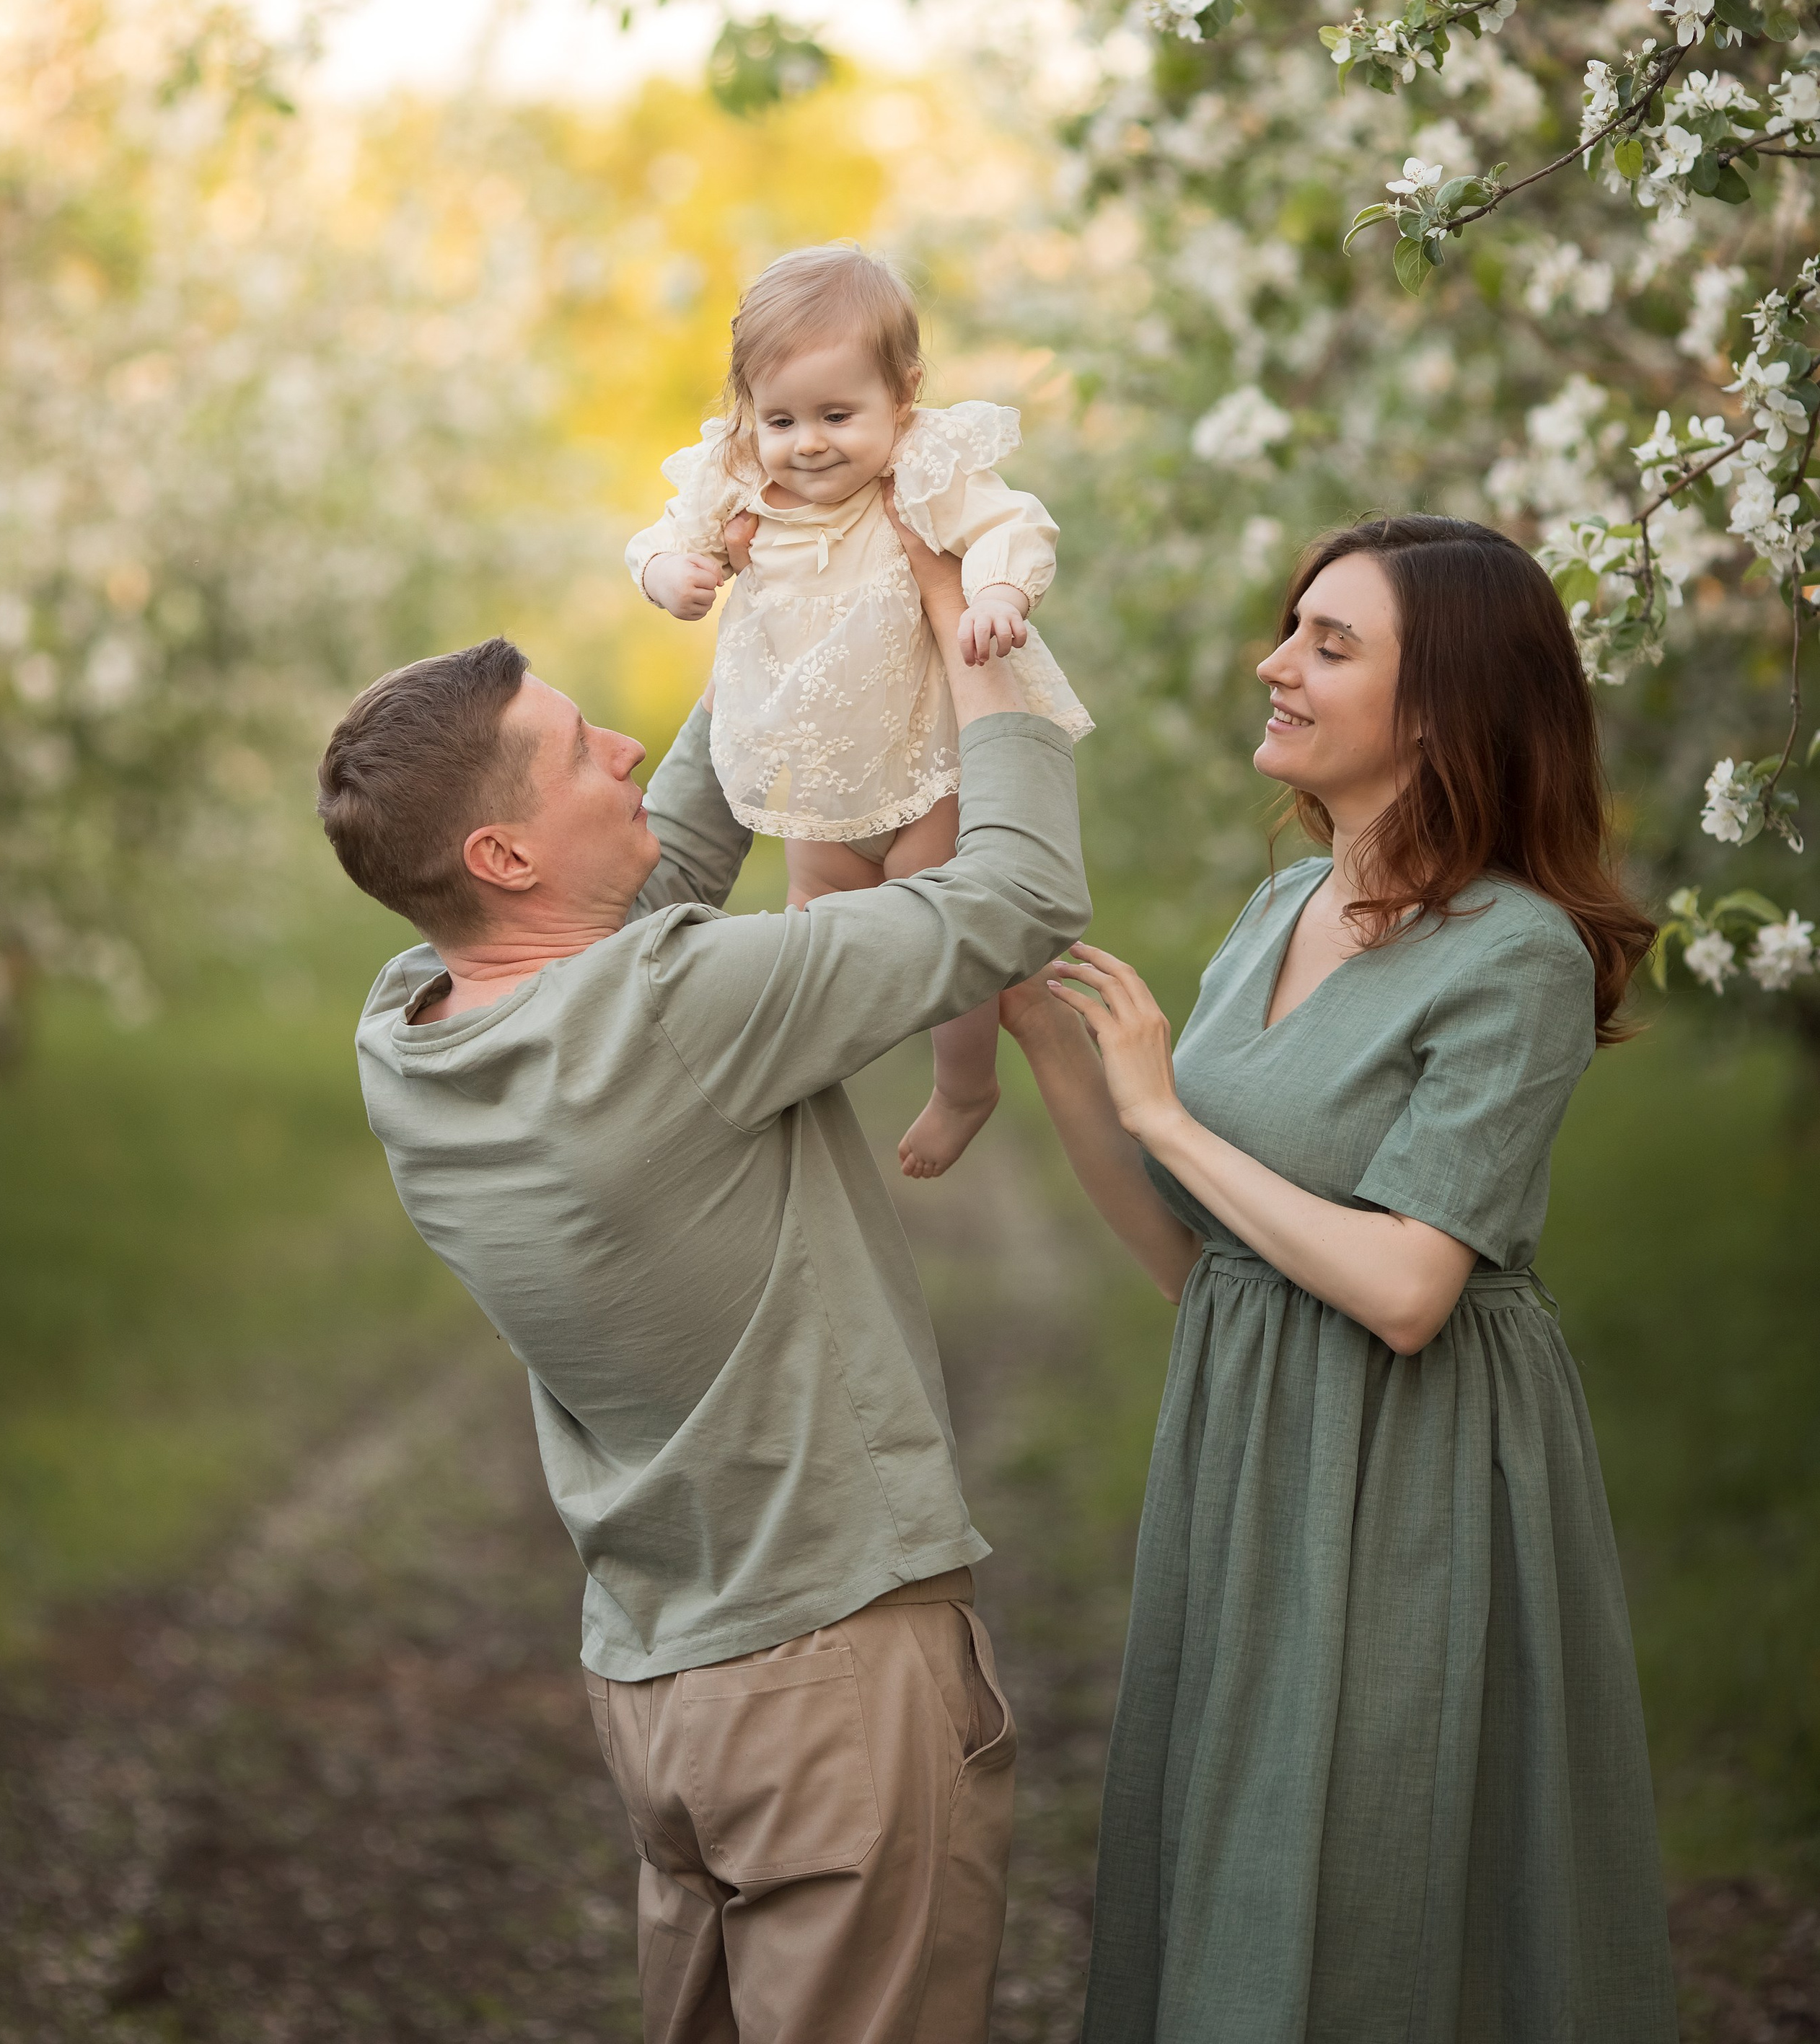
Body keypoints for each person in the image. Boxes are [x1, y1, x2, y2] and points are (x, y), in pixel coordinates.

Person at [314, 501, 1089, 2044]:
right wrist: (973, 638)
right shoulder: (677, 1010)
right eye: (576, 748)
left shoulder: (411, 1035)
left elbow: (636, 895)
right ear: (501, 853)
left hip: (667, 1690)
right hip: (831, 1685)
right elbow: (1013, 902)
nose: (619, 745)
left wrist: (788, 624)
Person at [1001, 514, 1679, 2043]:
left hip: (1410, 1467)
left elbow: (1406, 1288)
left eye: (1329, 643)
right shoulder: (1278, 911)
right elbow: (1200, 1263)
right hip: (1250, 1442)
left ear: (1439, 709)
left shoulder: (1515, 954)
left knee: (1380, 1870)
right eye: (1288, 630)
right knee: (1236, 1841)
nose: (1274, 665)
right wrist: (1047, 1041)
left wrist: (1165, 1111)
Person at [626, 243, 1091, 1180]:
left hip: (924, 762)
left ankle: (964, 1087)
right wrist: (668, 572)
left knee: (949, 930)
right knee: (814, 919)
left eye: (837, 416)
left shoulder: (925, 467)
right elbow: (662, 535)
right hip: (818, 766)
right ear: (748, 410)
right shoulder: (739, 477)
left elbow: (1012, 525)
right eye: (781, 419)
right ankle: (796, 1089)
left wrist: (999, 592)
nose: (808, 443)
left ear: (903, 394)